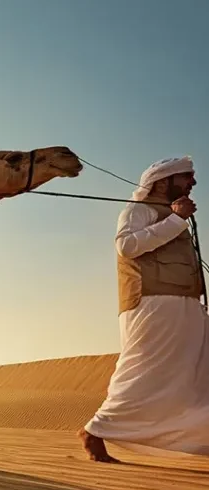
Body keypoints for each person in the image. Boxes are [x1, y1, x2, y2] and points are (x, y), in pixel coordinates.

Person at [80, 155, 209, 462]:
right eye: (186, 177)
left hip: (187, 306)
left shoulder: (169, 213)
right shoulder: (138, 210)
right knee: (144, 373)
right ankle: (96, 430)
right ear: (163, 181)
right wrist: (176, 219)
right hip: (152, 304)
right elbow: (127, 245)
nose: (193, 182)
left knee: (193, 378)